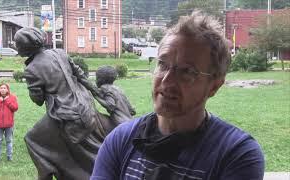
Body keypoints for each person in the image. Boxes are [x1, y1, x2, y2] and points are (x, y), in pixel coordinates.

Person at [91, 11, 265, 180]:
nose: (167, 81)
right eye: (162, 64)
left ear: (214, 86)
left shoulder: (236, 154)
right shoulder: (120, 140)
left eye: (187, 71)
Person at [14, 27, 112, 180]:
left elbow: (38, 101)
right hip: (85, 104)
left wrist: (36, 89)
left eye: (17, 44)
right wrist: (97, 93)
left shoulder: (31, 69)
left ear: (25, 47)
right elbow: (80, 74)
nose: (16, 47)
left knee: (32, 139)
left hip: (66, 115)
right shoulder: (59, 53)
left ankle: (47, 174)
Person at [92, 65, 136, 134]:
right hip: (130, 121)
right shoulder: (117, 89)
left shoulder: (105, 88)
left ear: (101, 79)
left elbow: (110, 106)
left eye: (97, 78)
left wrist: (96, 97)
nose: (95, 80)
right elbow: (132, 110)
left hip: (120, 123)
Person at [0, 83, 18, 164]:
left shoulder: (12, 97)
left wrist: (7, 101)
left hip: (9, 125)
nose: (3, 89)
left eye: (4, 88)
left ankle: (9, 157)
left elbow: (15, 108)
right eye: (1, 88)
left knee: (9, 141)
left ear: (7, 89)